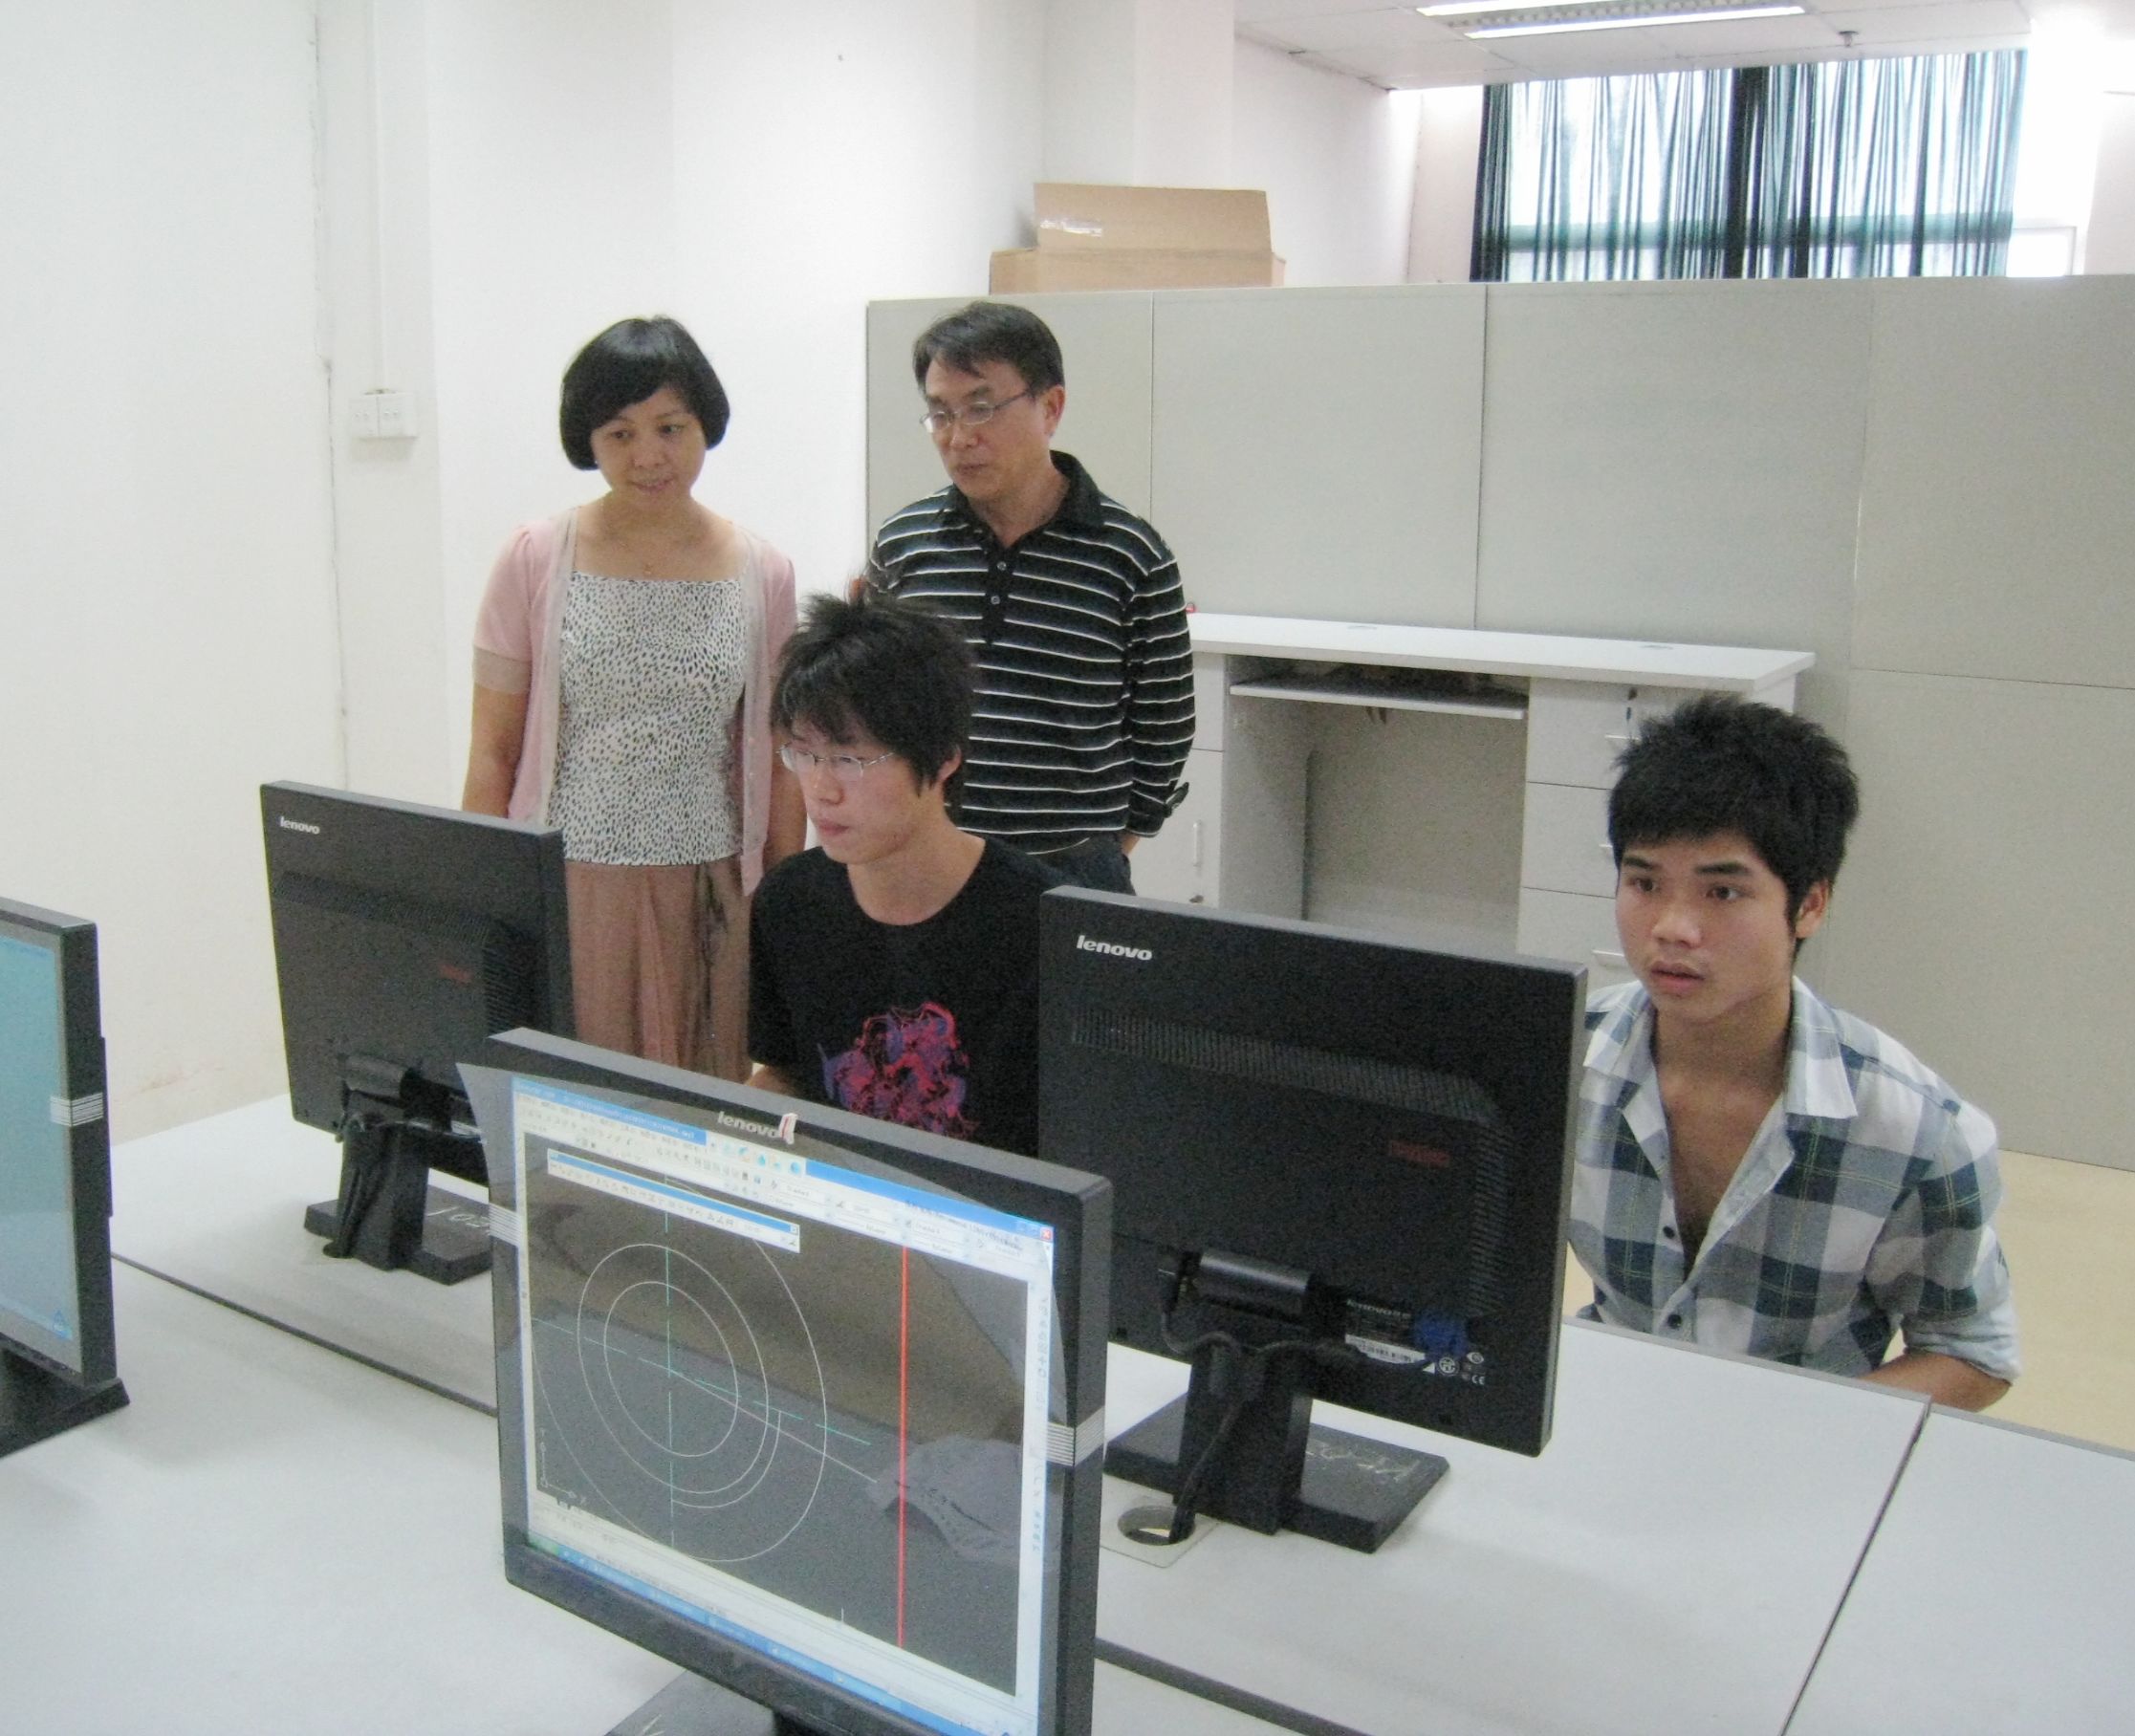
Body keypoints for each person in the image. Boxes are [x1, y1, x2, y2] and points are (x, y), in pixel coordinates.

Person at [1569, 694, 2017, 1409]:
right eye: (1644, 883)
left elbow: (1972, 1353)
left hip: (1808, 1448)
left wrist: (1792, 1434)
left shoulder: (1918, 1132)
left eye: (1722, 892)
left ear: (1809, 904)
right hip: (1602, 1413)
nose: (1672, 927)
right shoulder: (1561, 1061)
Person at [463, 315, 803, 1080]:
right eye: (619, 434)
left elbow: (780, 759)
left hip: (710, 885)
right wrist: (480, 904)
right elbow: (492, 751)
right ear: (588, 440)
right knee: (576, 1098)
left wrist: (787, 904)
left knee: (701, 1099)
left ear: (706, 425)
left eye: (670, 428)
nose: (648, 456)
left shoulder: (763, 571)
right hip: (570, 884)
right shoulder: (535, 557)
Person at [866, 300, 1193, 893]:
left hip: (1071, 866)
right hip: (933, 859)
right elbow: (881, 706)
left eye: (982, 408)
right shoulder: (904, 543)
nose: (959, 437)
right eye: (940, 414)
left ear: (1051, 407)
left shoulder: (1130, 554)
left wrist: (1112, 842)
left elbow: (1164, 725)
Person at [747, 590, 1060, 1157]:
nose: (821, 790)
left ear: (943, 759)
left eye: (851, 759)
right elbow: (785, 1073)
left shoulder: (1042, 922)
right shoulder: (790, 902)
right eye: (803, 754)